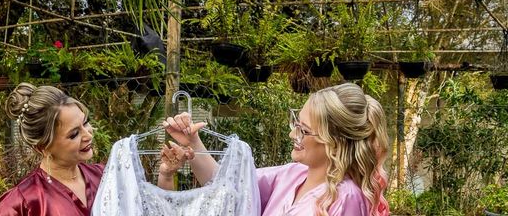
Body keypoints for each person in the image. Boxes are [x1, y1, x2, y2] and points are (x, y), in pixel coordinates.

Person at [161, 82, 390, 216]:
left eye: (303, 130)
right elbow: (226, 184)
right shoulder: (291, 175)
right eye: (296, 123)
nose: (293, 134)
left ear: (334, 142)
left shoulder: (346, 198)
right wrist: (193, 142)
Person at [0, 83, 102, 216]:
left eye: (85, 122)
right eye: (74, 134)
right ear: (43, 147)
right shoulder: (22, 202)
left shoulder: (103, 176)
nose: (88, 135)